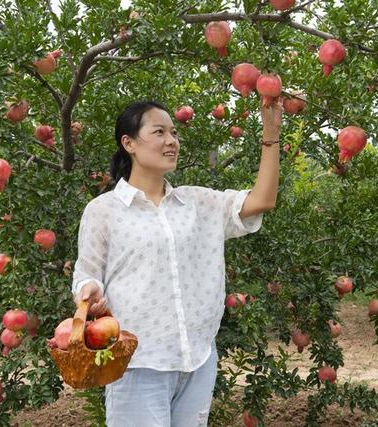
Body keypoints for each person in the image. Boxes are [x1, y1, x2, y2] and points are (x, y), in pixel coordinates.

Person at [71, 98, 281, 426]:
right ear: (129, 143)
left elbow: (262, 199)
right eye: (159, 132)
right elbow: (87, 273)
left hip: (197, 359)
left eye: (173, 132)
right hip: (138, 364)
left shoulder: (198, 202)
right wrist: (90, 292)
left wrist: (272, 132)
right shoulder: (104, 210)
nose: (171, 141)